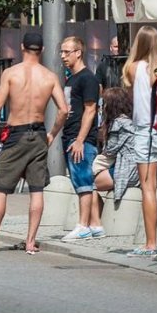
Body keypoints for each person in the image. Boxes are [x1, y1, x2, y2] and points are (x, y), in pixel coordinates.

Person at [0, 32, 67, 255]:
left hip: (16, 134)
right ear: (41, 50)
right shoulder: (50, 77)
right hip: (39, 134)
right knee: (37, 189)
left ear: (22, 47)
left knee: (1, 189)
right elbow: (64, 110)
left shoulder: (11, 74)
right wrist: (51, 134)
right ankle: (31, 241)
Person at [122, 25, 157, 257]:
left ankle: (151, 243)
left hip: (144, 130)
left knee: (148, 187)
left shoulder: (133, 68)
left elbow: (130, 84)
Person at [56, 36, 102, 242]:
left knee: (83, 181)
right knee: (83, 182)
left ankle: (83, 225)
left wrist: (81, 139)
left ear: (78, 52)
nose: (63, 56)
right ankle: (94, 224)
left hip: (81, 138)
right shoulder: (71, 78)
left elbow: (91, 110)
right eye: (62, 52)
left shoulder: (87, 78)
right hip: (71, 134)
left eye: (67, 52)